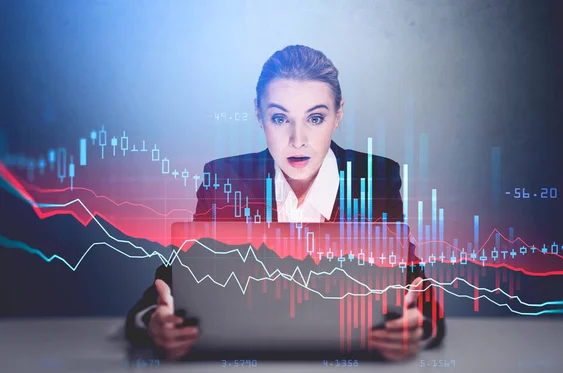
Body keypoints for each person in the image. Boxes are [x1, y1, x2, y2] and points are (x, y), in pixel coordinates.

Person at [125, 45, 446, 361]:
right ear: (258, 115)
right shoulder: (224, 179)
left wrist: (418, 327)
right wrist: (154, 322)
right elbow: (171, 284)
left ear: (339, 115)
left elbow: (416, 285)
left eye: (315, 118)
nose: (298, 139)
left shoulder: (375, 179)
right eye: (279, 118)